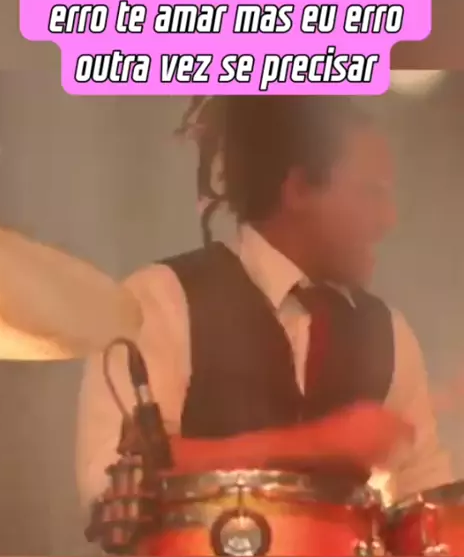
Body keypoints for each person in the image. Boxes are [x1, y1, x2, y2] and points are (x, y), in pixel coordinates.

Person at [76, 95, 452, 514]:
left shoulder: (389, 332)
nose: (389, 219)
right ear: (299, 189)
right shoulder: (160, 298)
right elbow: (111, 479)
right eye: (371, 193)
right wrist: (319, 444)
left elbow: (431, 507)